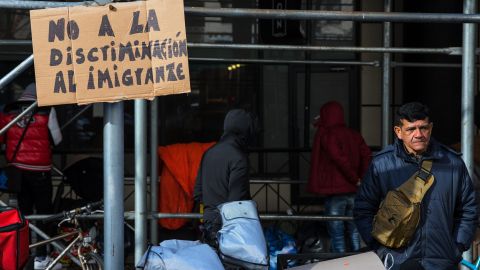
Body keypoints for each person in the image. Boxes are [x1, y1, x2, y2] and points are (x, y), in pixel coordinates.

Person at [353, 102, 478, 270]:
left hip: (442, 261)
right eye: (411, 129)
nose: (418, 134)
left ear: (431, 128)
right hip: (398, 262)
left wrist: (457, 246)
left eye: (423, 128)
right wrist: (381, 249)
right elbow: (363, 210)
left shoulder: (453, 164)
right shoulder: (382, 165)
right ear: (399, 132)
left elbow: (468, 209)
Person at [0, 83, 62, 270]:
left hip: (17, 171)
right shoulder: (46, 110)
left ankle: (22, 254)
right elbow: (57, 139)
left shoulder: (8, 110)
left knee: (23, 214)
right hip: (40, 171)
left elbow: (2, 139)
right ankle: (42, 257)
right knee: (44, 213)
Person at [307, 101, 372, 252]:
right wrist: (360, 179)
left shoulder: (327, 134)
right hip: (354, 191)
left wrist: (354, 178)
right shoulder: (354, 134)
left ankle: (341, 264)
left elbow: (339, 158)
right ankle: (358, 261)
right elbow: (367, 156)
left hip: (336, 192)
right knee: (354, 230)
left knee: (336, 233)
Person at [193, 108, 257, 247]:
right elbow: (237, 201)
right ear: (246, 130)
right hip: (231, 229)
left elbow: (197, 193)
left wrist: (211, 211)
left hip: (208, 224)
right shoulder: (239, 157)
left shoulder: (208, 153)